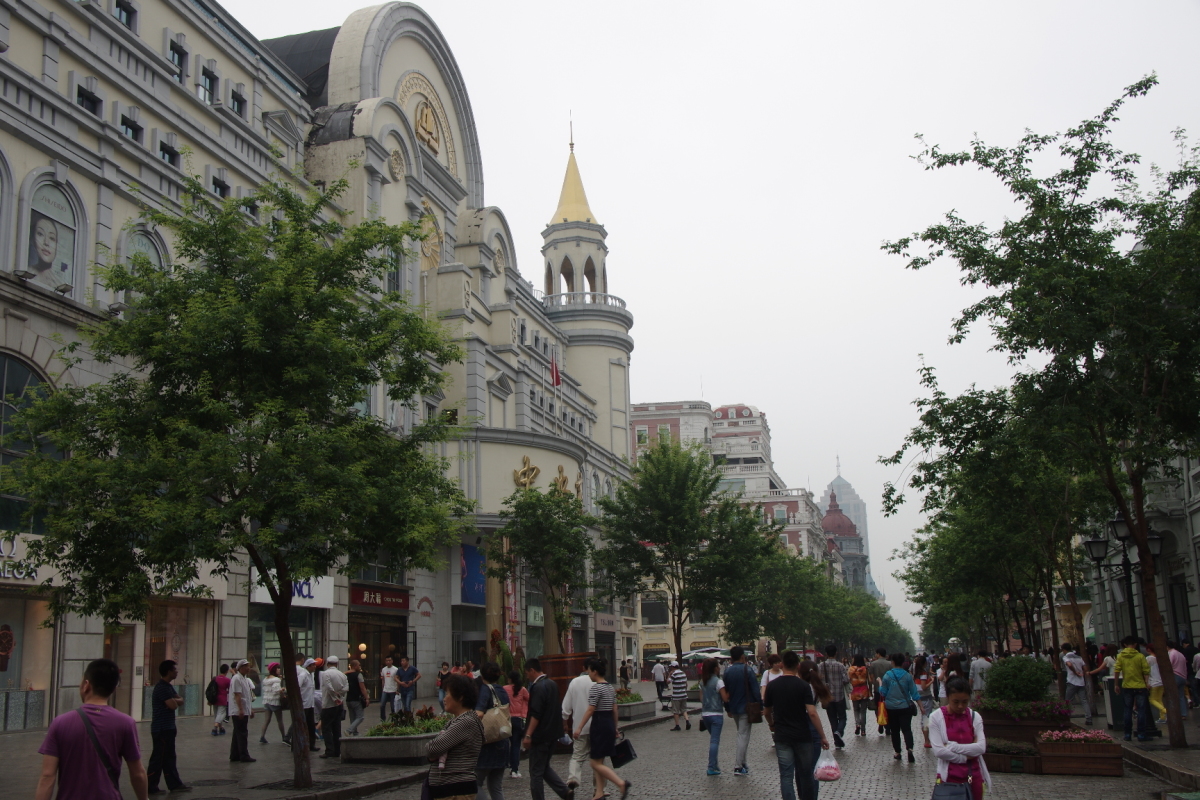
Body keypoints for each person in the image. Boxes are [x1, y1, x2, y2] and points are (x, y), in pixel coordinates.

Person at [36, 658, 148, 800]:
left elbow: (47, 776)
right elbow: (137, 773)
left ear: (86, 685)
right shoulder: (126, 723)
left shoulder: (60, 723)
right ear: (113, 688)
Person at [764, 650, 829, 800]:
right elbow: (812, 713)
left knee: (786, 775)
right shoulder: (803, 686)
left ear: (782, 664)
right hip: (802, 736)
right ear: (798, 666)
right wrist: (822, 736)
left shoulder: (772, 686)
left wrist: (772, 725)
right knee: (806, 773)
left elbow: (766, 711)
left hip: (782, 736)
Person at [572, 657, 631, 800]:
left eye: (589, 671)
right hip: (608, 723)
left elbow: (590, 709)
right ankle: (599, 792)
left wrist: (579, 727)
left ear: (595, 672)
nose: (588, 674)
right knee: (599, 760)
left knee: (594, 763)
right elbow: (615, 709)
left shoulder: (596, 688)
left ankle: (621, 783)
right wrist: (615, 727)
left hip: (599, 724)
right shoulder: (610, 687)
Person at [425, 673, 484, 800]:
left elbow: (432, 748)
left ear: (460, 697)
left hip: (456, 791)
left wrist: (432, 750)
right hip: (450, 790)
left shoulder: (466, 721)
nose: (444, 698)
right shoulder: (459, 720)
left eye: (447, 694)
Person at [929, 677, 989, 800]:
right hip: (948, 779)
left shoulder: (975, 717)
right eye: (955, 702)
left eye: (965, 702)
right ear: (948, 697)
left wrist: (952, 746)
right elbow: (939, 751)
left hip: (973, 776)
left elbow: (981, 748)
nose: (960, 706)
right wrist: (966, 757)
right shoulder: (936, 717)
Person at [522, 658, 573, 800]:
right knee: (543, 767)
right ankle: (564, 791)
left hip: (540, 735)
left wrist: (528, 735)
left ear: (532, 670)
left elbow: (536, 713)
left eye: (527, 673)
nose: (527, 676)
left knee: (536, 772)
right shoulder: (552, 684)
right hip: (553, 734)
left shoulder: (538, 687)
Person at [147, 659, 189, 795]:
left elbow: (180, 700)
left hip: (168, 727)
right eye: (175, 670)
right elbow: (174, 705)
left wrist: (173, 700)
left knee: (169, 757)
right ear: (169, 671)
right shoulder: (162, 688)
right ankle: (150, 787)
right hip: (161, 729)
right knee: (158, 759)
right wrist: (174, 701)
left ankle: (174, 784)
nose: (177, 672)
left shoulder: (168, 686)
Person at [475, 662, 511, 800]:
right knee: (496, 786)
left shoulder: (485, 689)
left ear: (482, 675)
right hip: (502, 741)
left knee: (474, 783)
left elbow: (479, 713)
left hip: (487, 745)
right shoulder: (502, 690)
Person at [724, 645, 761, 776]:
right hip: (746, 707)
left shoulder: (727, 671)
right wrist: (760, 705)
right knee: (743, 735)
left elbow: (725, 691)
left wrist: (727, 708)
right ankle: (738, 765)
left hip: (734, 707)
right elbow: (755, 689)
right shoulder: (748, 670)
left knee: (742, 733)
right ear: (742, 656)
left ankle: (743, 762)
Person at [561, 658, 595, 792]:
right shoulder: (598, 682)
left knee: (577, 756)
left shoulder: (575, 682)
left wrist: (565, 722)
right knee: (598, 759)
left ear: (583, 668)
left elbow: (566, 707)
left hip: (579, 727)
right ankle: (599, 788)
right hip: (597, 727)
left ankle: (573, 778)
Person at [879, 652, 920, 763]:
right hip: (905, 706)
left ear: (892, 662)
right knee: (907, 729)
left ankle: (898, 752)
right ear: (903, 662)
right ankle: (910, 749)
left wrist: (880, 683)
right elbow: (914, 692)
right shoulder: (907, 676)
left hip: (891, 707)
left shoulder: (887, 675)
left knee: (895, 730)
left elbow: (883, 692)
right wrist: (921, 707)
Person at [1114, 634, 1152, 741]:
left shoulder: (1120, 656)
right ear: (1135, 644)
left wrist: (1116, 684)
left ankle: (1127, 734)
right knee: (1141, 710)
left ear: (1125, 644)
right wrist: (1147, 683)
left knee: (1127, 710)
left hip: (1127, 686)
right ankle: (1141, 734)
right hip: (1140, 686)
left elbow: (1117, 670)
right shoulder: (1140, 656)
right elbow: (1146, 671)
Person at [284, 655, 318, 751]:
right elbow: (297, 687)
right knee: (299, 725)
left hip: (310, 704)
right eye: (313, 665)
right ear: (308, 666)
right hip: (304, 704)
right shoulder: (303, 675)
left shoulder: (311, 675)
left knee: (311, 726)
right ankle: (295, 745)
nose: (314, 667)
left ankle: (311, 744)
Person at [818, 645, 849, 748]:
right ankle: (839, 732)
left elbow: (818, 680)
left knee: (832, 719)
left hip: (827, 697)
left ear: (826, 654)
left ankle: (837, 741)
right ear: (836, 653)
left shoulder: (821, 666)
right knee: (842, 717)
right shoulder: (841, 666)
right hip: (839, 695)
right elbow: (846, 680)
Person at [700, 657, 726, 775]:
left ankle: (715, 765)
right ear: (715, 668)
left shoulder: (702, 682)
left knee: (713, 739)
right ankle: (711, 767)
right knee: (714, 741)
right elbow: (725, 698)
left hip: (705, 714)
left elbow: (701, 698)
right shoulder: (718, 681)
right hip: (716, 714)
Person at [319, 655, 348, 758]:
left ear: (327, 664)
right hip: (339, 705)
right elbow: (346, 688)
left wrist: (335, 698)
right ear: (337, 664)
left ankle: (329, 750)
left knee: (326, 728)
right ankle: (337, 750)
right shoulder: (342, 674)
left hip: (328, 704)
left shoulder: (326, 674)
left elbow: (329, 687)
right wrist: (340, 697)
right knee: (337, 728)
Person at [228, 659, 256, 763]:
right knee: (242, 733)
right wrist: (241, 709)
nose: (248, 668)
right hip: (238, 710)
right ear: (240, 668)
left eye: (248, 666)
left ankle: (235, 755)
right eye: (246, 666)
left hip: (244, 709)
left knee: (237, 733)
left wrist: (250, 709)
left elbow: (247, 696)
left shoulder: (244, 678)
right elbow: (237, 695)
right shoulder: (237, 678)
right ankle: (244, 755)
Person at [1060, 643, 1092, 726]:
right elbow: (1085, 667)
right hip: (1081, 682)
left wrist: (1075, 672)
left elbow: (1069, 664)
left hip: (1072, 681)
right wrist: (1082, 673)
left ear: (1064, 650)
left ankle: (1066, 717)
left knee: (1068, 701)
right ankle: (1089, 719)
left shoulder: (1066, 657)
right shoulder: (1079, 657)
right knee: (1084, 700)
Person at [507, 670, 529, 779]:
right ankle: (514, 769)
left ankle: (507, 764)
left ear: (510, 679)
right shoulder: (523, 689)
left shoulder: (505, 689)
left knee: (507, 744)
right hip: (518, 719)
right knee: (516, 745)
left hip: (507, 719)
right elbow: (529, 699)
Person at [259, 663, 287, 744]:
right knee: (280, 720)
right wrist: (282, 690)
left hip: (267, 701)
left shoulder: (266, 679)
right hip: (275, 702)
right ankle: (284, 737)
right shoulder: (276, 680)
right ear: (274, 669)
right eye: (278, 668)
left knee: (267, 720)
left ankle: (262, 736)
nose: (279, 669)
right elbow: (276, 690)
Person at [912, 654, 934, 748]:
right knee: (925, 719)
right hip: (926, 697)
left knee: (924, 717)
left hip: (920, 698)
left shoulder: (916, 674)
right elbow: (924, 687)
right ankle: (927, 741)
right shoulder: (923, 674)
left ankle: (927, 740)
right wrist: (931, 681)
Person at [868, 647, 892, 735]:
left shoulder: (873, 664)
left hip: (877, 689)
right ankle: (888, 726)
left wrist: (873, 684)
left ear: (878, 654)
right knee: (888, 707)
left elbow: (871, 678)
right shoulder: (890, 664)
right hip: (888, 690)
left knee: (878, 707)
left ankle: (880, 722)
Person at [345, 659, 370, 736]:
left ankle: (355, 733)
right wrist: (367, 698)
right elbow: (362, 688)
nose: (360, 666)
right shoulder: (358, 675)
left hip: (348, 699)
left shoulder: (346, 675)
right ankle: (349, 730)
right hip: (356, 699)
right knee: (360, 717)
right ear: (355, 666)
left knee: (352, 717)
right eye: (359, 665)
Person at [848, 654, 871, 737]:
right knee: (863, 711)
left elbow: (848, 680)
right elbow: (869, 680)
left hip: (855, 691)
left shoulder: (850, 669)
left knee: (856, 709)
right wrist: (870, 691)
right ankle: (863, 730)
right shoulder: (865, 669)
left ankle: (857, 724)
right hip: (864, 691)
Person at [1146, 642, 1167, 724]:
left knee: (1152, 699)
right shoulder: (1159, 658)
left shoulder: (1149, 659)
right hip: (1161, 681)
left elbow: (1146, 671)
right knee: (1159, 699)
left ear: (1149, 649)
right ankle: (1162, 717)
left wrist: (1147, 682)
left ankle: (1164, 711)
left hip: (1153, 682)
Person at [1169, 640, 1189, 720]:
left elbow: (1169, 665)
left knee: (1172, 696)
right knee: (1181, 696)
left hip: (1175, 675)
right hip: (1182, 676)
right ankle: (1183, 713)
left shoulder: (1171, 653)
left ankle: (1175, 714)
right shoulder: (1180, 654)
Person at [668, 660, 690, 731]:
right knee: (684, 710)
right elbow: (686, 684)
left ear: (673, 667)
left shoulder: (674, 674)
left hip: (676, 696)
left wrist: (669, 675)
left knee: (676, 711)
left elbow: (668, 682)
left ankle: (677, 725)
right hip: (684, 695)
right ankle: (687, 721)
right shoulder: (683, 673)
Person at [211, 663, 231, 736]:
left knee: (217, 714)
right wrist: (226, 692)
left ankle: (221, 728)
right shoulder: (227, 680)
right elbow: (231, 689)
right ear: (227, 671)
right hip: (222, 698)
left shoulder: (215, 678)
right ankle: (215, 727)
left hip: (214, 698)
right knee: (222, 713)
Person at [380, 655, 399, 720]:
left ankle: (394, 719)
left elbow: (398, 679)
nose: (388, 662)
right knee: (382, 705)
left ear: (392, 661)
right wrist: (383, 687)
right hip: (385, 690)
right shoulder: (383, 669)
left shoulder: (396, 669)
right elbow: (383, 679)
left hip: (393, 690)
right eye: (387, 660)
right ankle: (383, 719)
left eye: (389, 660)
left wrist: (397, 689)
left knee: (393, 706)